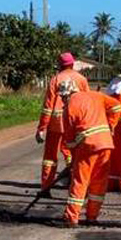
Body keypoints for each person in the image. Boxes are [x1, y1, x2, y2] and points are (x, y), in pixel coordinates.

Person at [59, 78, 120, 227]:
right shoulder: (95, 95)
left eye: (62, 96)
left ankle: (71, 218)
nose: (61, 99)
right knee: (99, 183)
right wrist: (111, 126)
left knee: (80, 182)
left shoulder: (69, 108)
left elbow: (69, 140)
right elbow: (117, 107)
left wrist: (73, 159)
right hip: (106, 144)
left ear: (66, 94)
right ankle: (92, 216)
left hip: (88, 147)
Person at [36, 52, 89, 195]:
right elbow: (87, 102)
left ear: (60, 65)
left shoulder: (55, 79)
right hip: (75, 123)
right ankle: (75, 186)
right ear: (72, 64)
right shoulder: (82, 79)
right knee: (74, 154)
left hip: (56, 124)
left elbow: (48, 106)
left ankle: (46, 187)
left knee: (50, 157)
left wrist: (42, 128)